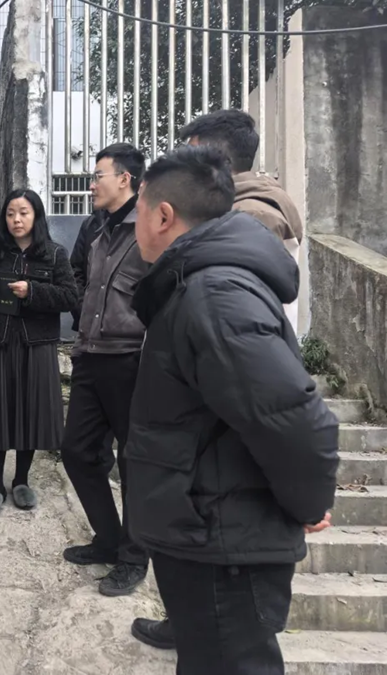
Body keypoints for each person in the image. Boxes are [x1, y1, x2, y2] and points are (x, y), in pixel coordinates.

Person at [127, 145, 339, 674]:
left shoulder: (214, 294)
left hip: (225, 545)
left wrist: (308, 504)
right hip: (207, 528)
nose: (134, 227)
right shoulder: (199, 284)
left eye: (137, 213)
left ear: (163, 215)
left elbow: (294, 419)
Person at [60, 143, 150, 597]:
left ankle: (134, 558)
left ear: (125, 179)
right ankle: (109, 539)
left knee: (134, 463)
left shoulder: (149, 228)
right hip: (90, 354)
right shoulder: (97, 228)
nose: (92, 184)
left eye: (98, 176)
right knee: (76, 450)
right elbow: (80, 276)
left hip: (130, 360)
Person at [0, 189, 79, 517]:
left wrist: (33, 291)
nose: (16, 219)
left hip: (36, 345)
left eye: (24, 213)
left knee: (30, 413)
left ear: (36, 216)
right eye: (11, 213)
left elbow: (70, 297)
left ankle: (21, 480)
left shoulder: (54, 255)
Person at [178, 109, 304, 332]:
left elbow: (246, 310)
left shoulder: (254, 215)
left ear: (220, 163)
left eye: (191, 155)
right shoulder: (234, 207)